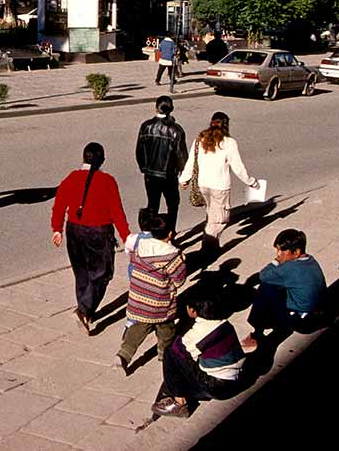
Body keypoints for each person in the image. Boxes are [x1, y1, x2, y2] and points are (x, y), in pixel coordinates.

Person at [51, 142, 129, 334]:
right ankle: (84, 309)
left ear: (83, 158)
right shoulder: (108, 181)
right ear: (102, 160)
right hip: (99, 232)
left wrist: (57, 229)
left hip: (74, 230)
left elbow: (59, 205)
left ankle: (85, 309)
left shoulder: (71, 178)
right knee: (102, 273)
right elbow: (116, 211)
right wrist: (126, 236)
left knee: (82, 272)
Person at [151, 292, 244, 419]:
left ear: (193, 310)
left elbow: (177, 349)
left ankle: (179, 403)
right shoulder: (225, 324)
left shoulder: (200, 333)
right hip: (235, 378)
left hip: (216, 387)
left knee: (170, 353)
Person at [115, 211, 187, 372]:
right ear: (170, 234)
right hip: (160, 302)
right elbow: (179, 280)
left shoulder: (139, 248)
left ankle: (123, 354)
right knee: (166, 329)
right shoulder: (172, 256)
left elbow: (134, 263)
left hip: (138, 297)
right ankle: (164, 355)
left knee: (138, 328)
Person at [179, 112, 259, 253]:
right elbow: (238, 167)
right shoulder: (229, 143)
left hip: (202, 184)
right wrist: (251, 182)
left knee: (211, 214)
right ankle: (207, 249)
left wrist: (184, 179)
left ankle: (213, 246)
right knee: (220, 220)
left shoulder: (200, 139)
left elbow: (192, 161)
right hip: (220, 187)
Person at [240, 229, 326, 353]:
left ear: (296, 252)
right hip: (316, 313)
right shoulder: (310, 260)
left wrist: (276, 261)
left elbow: (264, 275)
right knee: (277, 286)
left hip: (302, 321)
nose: (279, 254)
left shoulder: (289, 268)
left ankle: (257, 332)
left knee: (266, 287)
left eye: (281, 251)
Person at [135, 95, 187, 231]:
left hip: (150, 174)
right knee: (173, 205)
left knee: (153, 205)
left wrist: (144, 168)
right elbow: (181, 155)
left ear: (155, 108)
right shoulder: (177, 130)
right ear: (171, 109)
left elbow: (139, 150)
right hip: (169, 175)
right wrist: (181, 171)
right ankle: (170, 232)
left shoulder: (146, 126)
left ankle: (153, 233)